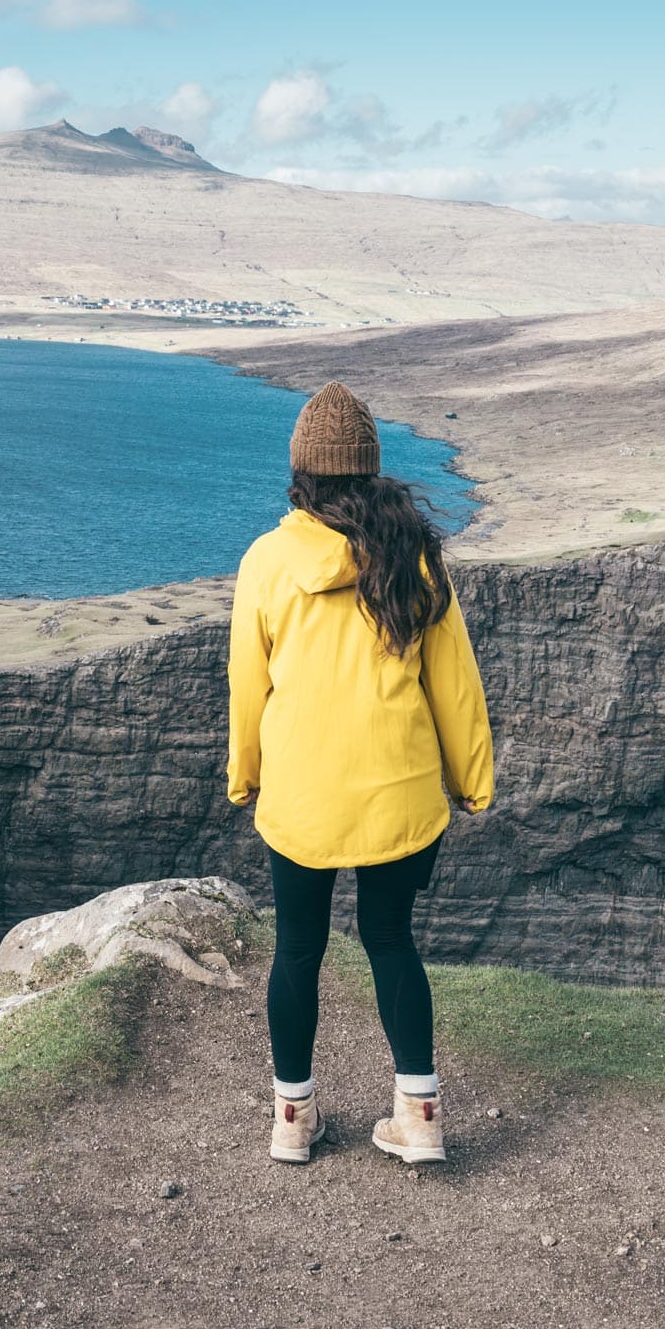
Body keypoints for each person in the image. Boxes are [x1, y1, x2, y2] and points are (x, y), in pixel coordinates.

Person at [226, 381, 494, 1166]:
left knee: (299, 949)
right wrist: (471, 780)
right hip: (400, 796)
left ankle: (292, 1121)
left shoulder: (268, 562)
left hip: (303, 797)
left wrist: (244, 776)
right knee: (390, 939)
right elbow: (456, 684)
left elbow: (250, 684)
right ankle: (419, 1119)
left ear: (303, 474)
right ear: (370, 471)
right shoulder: (413, 557)